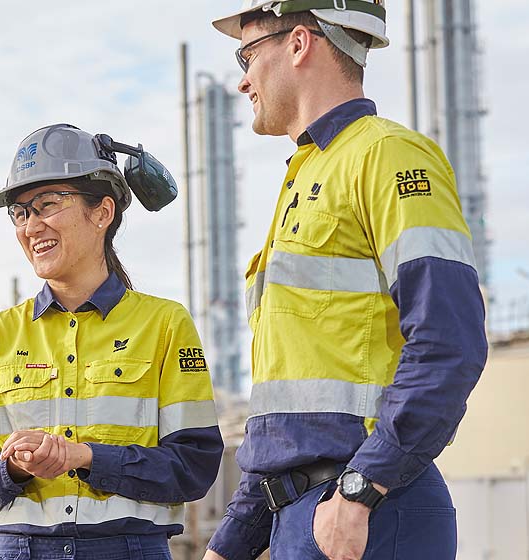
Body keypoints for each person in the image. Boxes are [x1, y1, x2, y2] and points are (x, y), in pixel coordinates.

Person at [204, 2, 489, 559]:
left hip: (369, 511)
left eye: (247, 54)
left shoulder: (387, 156)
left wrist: (362, 489)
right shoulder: (308, 174)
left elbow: (449, 343)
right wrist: (231, 542)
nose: (242, 80)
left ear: (299, 43)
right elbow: (289, 414)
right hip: (310, 515)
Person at [0, 124, 222, 560]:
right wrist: (12, 467)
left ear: (102, 212)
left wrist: (86, 456)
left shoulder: (165, 324)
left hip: (130, 549)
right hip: (21, 550)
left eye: (47, 205)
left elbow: (193, 467)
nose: (31, 225)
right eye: (20, 212)